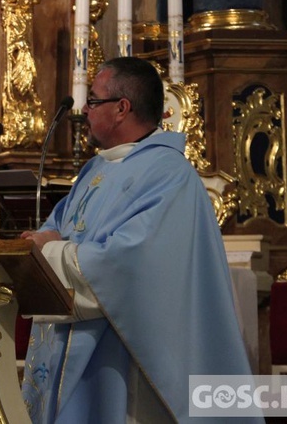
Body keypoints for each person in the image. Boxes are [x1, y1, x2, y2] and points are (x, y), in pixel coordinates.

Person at [20, 57, 258, 422]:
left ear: (121, 109)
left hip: (126, 363)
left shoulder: (168, 175)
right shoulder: (96, 169)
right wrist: (40, 242)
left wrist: (49, 249)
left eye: (93, 101)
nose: (84, 110)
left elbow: (128, 264)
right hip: (79, 346)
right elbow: (55, 228)